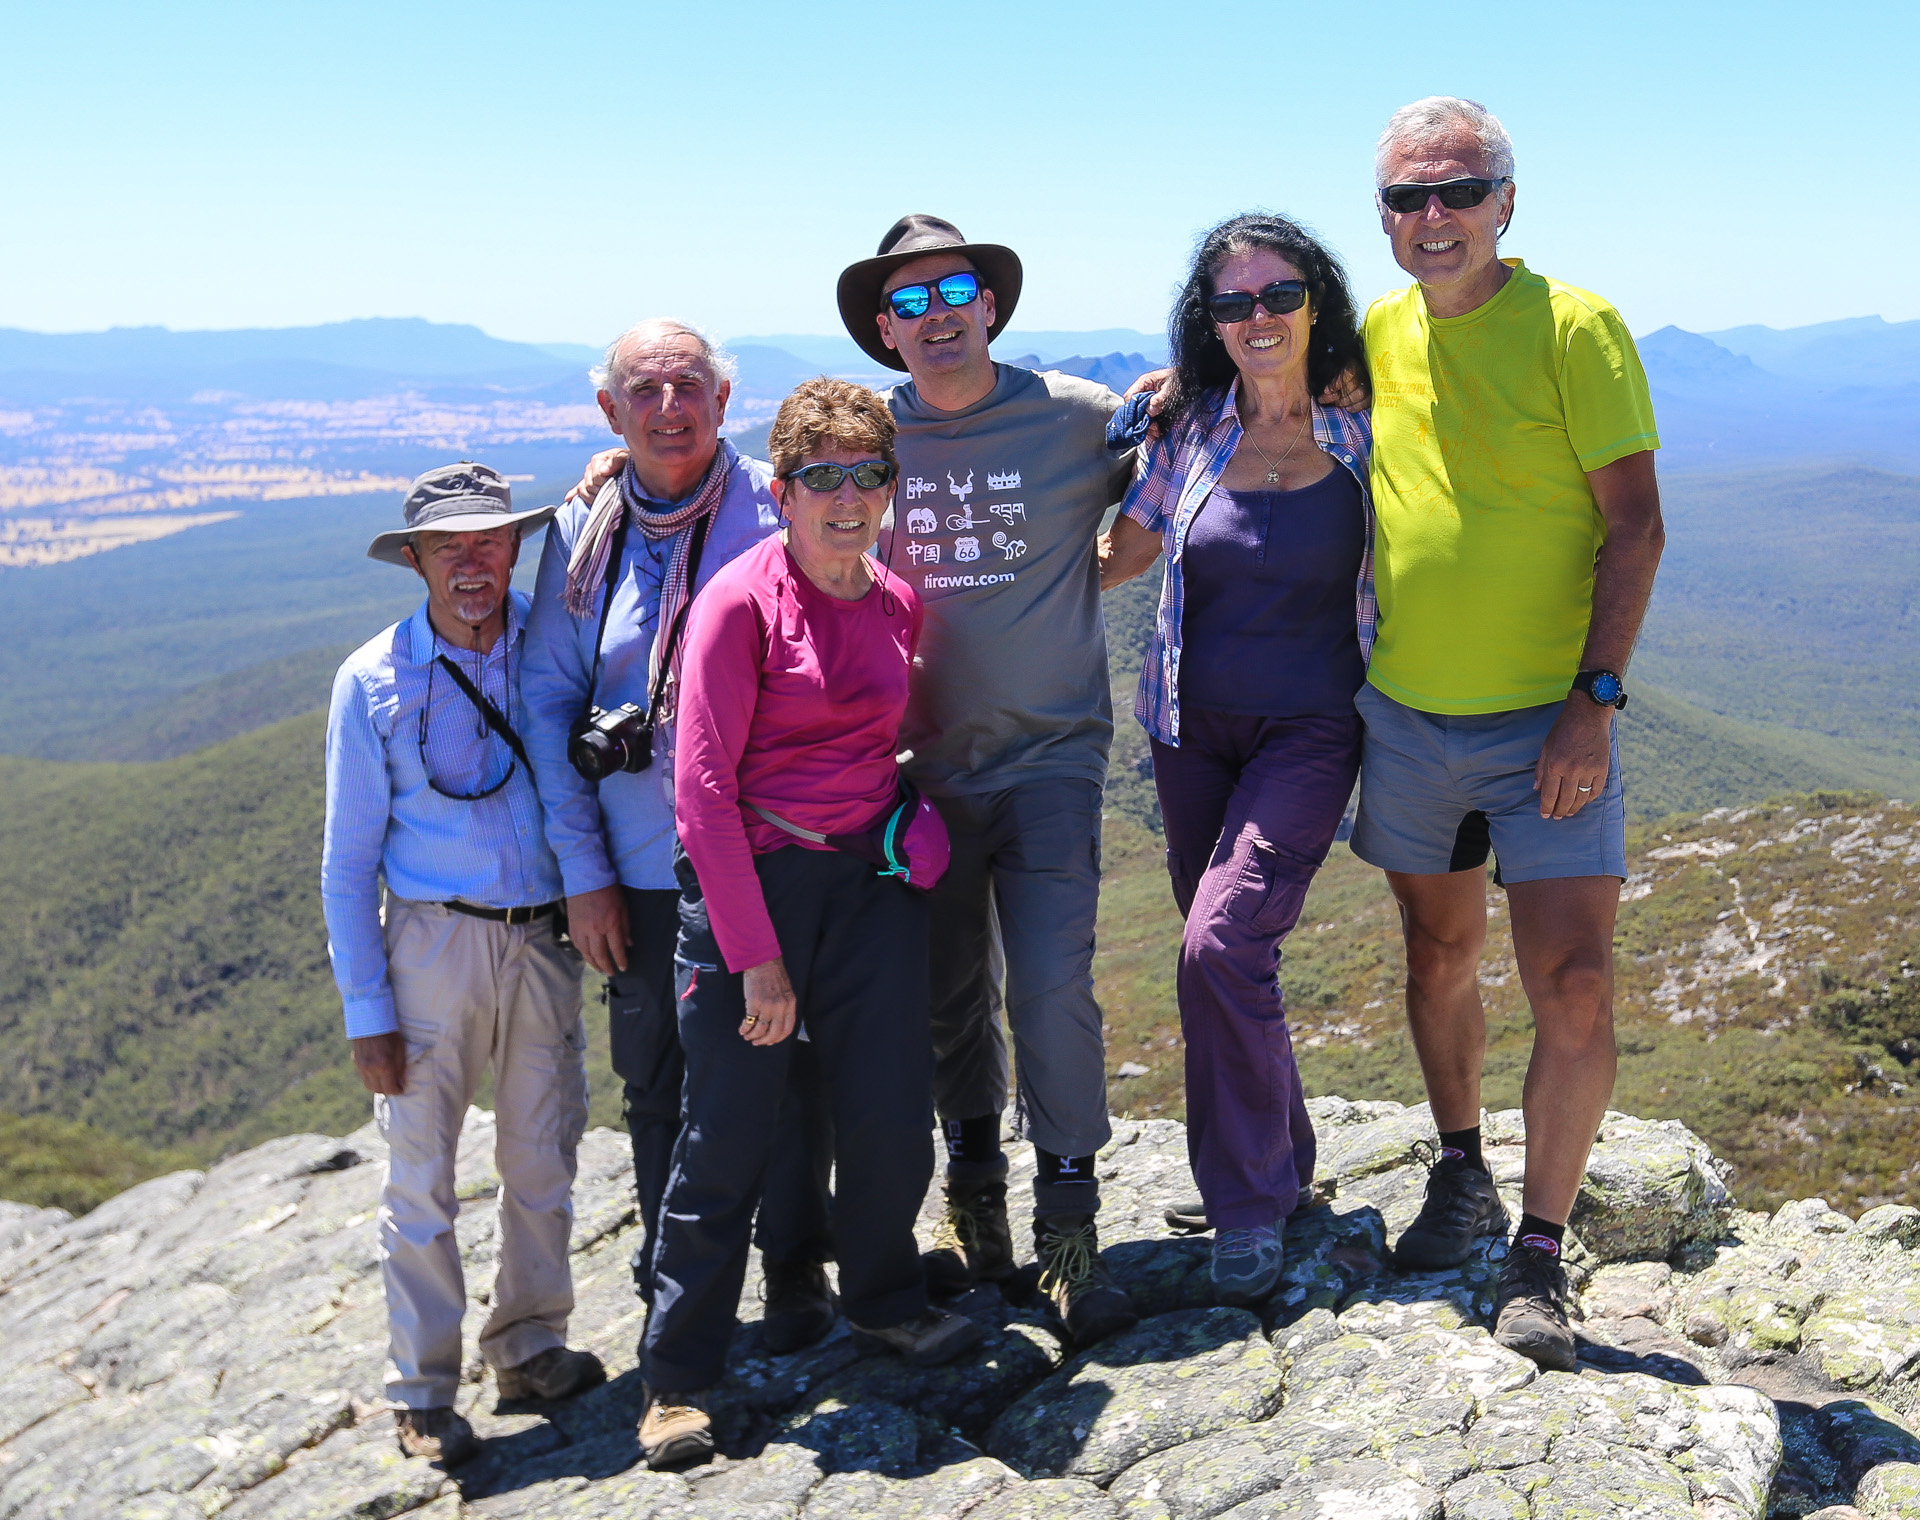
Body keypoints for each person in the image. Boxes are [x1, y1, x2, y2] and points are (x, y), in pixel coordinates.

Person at [1353, 97, 1664, 1370]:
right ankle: (1463, 1171)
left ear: (1507, 201)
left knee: (1575, 980)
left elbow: (1636, 524)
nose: (1433, 218)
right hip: (1406, 710)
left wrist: (1594, 698)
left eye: (1458, 190)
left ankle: (1539, 1253)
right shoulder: (1375, 331)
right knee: (1437, 952)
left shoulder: (1575, 328)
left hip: (1552, 718)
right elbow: (1265, 382)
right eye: (1406, 199)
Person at [636, 379, 982, 1470]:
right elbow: (700, 794)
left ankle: (882, 1296)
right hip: (756, 891)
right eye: (821, 476)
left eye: (867, 473)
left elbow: (891, 738)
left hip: (868, 886)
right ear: (782, 491)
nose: (846, 496)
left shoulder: (892, 599)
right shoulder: (738, 603)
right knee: (727, 1131)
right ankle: (677, 1376)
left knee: (889, 1106)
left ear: (891, 485)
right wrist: (757, 960)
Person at [835, 215, 1141, 1348]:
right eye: (909, 303)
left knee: (1052, 980)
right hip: (920, 772)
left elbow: (1188, 446)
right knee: (948, 997)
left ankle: (1071, 1230)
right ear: (884, 331)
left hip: (1054, 754)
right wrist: (622, 458)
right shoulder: (872, 435)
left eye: (953, 289)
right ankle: (979, 1219)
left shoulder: (1072, 415)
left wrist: (1117, 557)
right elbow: (764, 485)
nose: (936, 315)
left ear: (991, 302)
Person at [522, 321, 833, 1352]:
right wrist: (585, 876)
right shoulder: (583, 532)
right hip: (639, 861)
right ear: (608, 411)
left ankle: (796, 1272)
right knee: (656, 1080)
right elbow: (548, 708)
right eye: (644, 390)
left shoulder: (776, 503)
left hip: (769, 851)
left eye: (687, 384)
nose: (669, 406)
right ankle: (675, 1287)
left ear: (725, 394)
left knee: (782, 1065)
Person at [1098, 213, 1375, 1307]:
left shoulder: (1370, 420)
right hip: (1187, 730)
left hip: (1313, 731)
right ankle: (1278, 1162)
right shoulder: (1188, 427)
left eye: (1278, 294)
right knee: (1229, 961)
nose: (1257, 317)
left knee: (1220, 942)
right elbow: (1126, 549)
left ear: (1316, 301)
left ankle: (1248, 1203)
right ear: (1207, 322)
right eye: (1232, 302)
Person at [321, 463, 605, 1467]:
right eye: (450, 546)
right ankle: (423, 1384)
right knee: (419, 1174)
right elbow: (348, 861)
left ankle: (528, 1344)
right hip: (430, 943)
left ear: (518, 545)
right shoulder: (372, 681)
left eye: (490, 540)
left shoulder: (555, 649)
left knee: (543, 1151)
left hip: (543, 939)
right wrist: (366, 1005)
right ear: (415, 560)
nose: (473, 563)